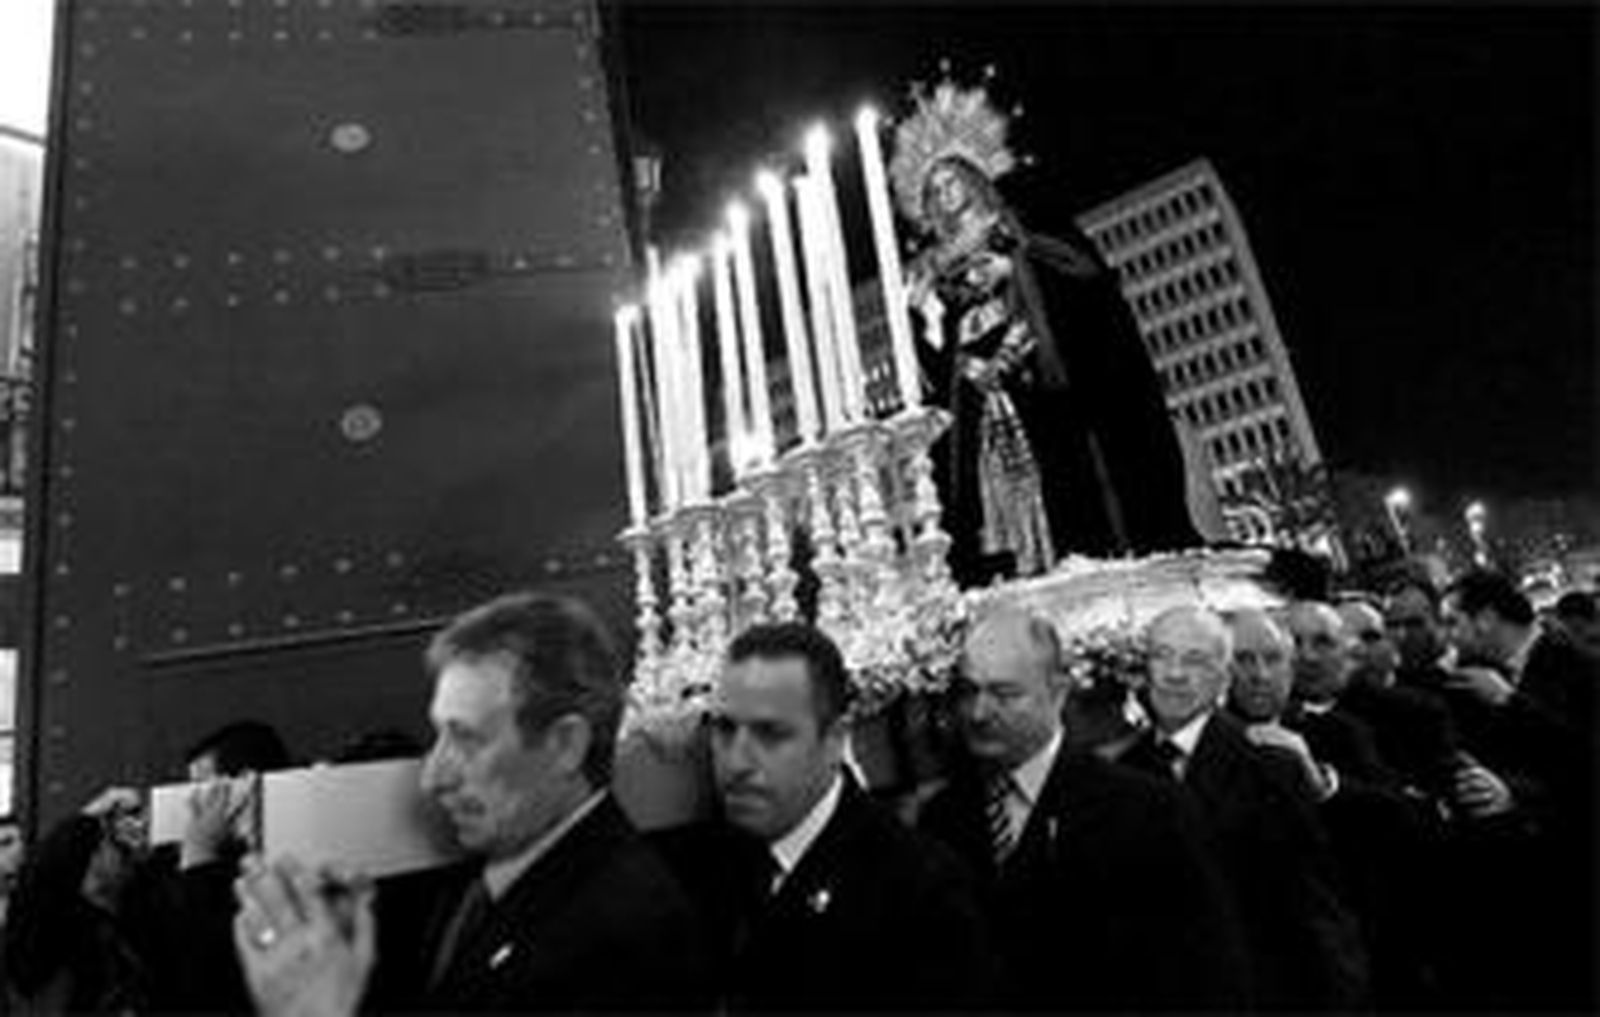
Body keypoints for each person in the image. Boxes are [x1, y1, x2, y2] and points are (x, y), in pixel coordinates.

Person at [232, 592, 711, 1015]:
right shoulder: (487, 878)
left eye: (467, 739)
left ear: (564, 745)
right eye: (438, 735)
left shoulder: (631, 931)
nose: (433, 778)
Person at [891, 77, 1197, 585]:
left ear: (974, 178)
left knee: (1068, 474)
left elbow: (1081, 275)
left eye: (952, 181)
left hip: (1044, 378)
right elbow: (931, 353)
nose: (945, 194)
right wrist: (929, 331)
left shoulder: (1019, 222)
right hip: (978, 394)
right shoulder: (928, 267)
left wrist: (1014, 268)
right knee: (989, 495)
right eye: (933, 191)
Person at [918, 605, 1249, 1011]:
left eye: (1005, 694)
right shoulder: (942, 818)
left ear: (1059, 692)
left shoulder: (1147, 810)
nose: (980, 713)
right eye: (969, 692)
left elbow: (1208, 975)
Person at [654, 622, 994, 1012]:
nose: (736, 762)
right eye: (725, 729)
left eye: (771, 734)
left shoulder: (919, 890)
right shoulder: (692, 871)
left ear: (835, 740)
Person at [1119, 606, 1368, 1011]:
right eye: (1162, 656)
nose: (1174, 674)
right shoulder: (1124, 771)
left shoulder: (1270, 766)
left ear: (1222, 675)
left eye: (1194, 660)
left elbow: (1313, 913)